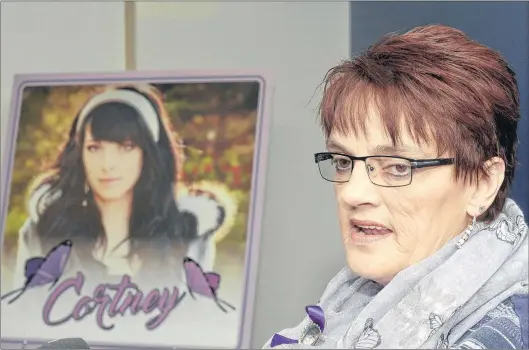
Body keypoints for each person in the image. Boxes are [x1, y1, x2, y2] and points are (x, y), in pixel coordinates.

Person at [265, 25, 528, 349]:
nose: (352, 193)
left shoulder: (504, 333)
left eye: (398, 167)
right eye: (343, 161)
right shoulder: (351, 302)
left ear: (482, 184)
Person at [13, 85, 236, 289]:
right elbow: (21, 316)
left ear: (148, 154)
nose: (107, 164)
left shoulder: (185, 233)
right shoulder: (45, 230)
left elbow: (199, 320)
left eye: (126, 147)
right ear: (79, 154)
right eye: (94, 148)